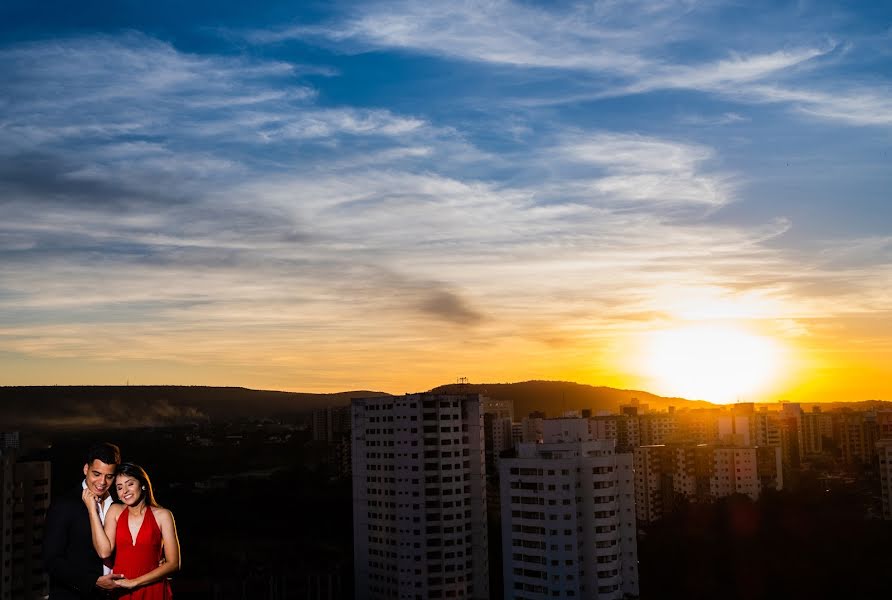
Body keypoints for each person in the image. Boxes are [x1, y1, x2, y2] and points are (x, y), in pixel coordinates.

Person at [84, 462, 180, 598]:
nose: (125, 491)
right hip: (122, 591)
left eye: (130, 484)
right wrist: (92, 510)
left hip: (154, 590)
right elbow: (104, 551)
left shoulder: (163, 515)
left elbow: (173, 563)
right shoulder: (115, 511)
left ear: (143, 484)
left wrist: (134, 582)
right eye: (119, 487)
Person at [44, 442, 124, 599]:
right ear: (86, 469)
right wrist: (93, 581)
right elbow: (51, 560)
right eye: (97, 474)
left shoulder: (118, 506)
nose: (102, 482)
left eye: (109, 476)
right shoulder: (64, 505)